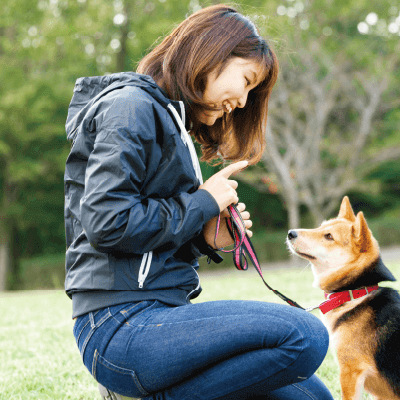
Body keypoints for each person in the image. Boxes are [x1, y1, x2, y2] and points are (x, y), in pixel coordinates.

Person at [63, 5, 332, 400]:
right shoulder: (130, 108)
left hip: (163, 314)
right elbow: (107, 223)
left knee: (312, 397)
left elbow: (146, 244)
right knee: (305, 336)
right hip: (118, 324)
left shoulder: (172, 123)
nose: (242, 101)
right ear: (212, 52)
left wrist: (205, 237)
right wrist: (202, 203)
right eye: (246, 80)